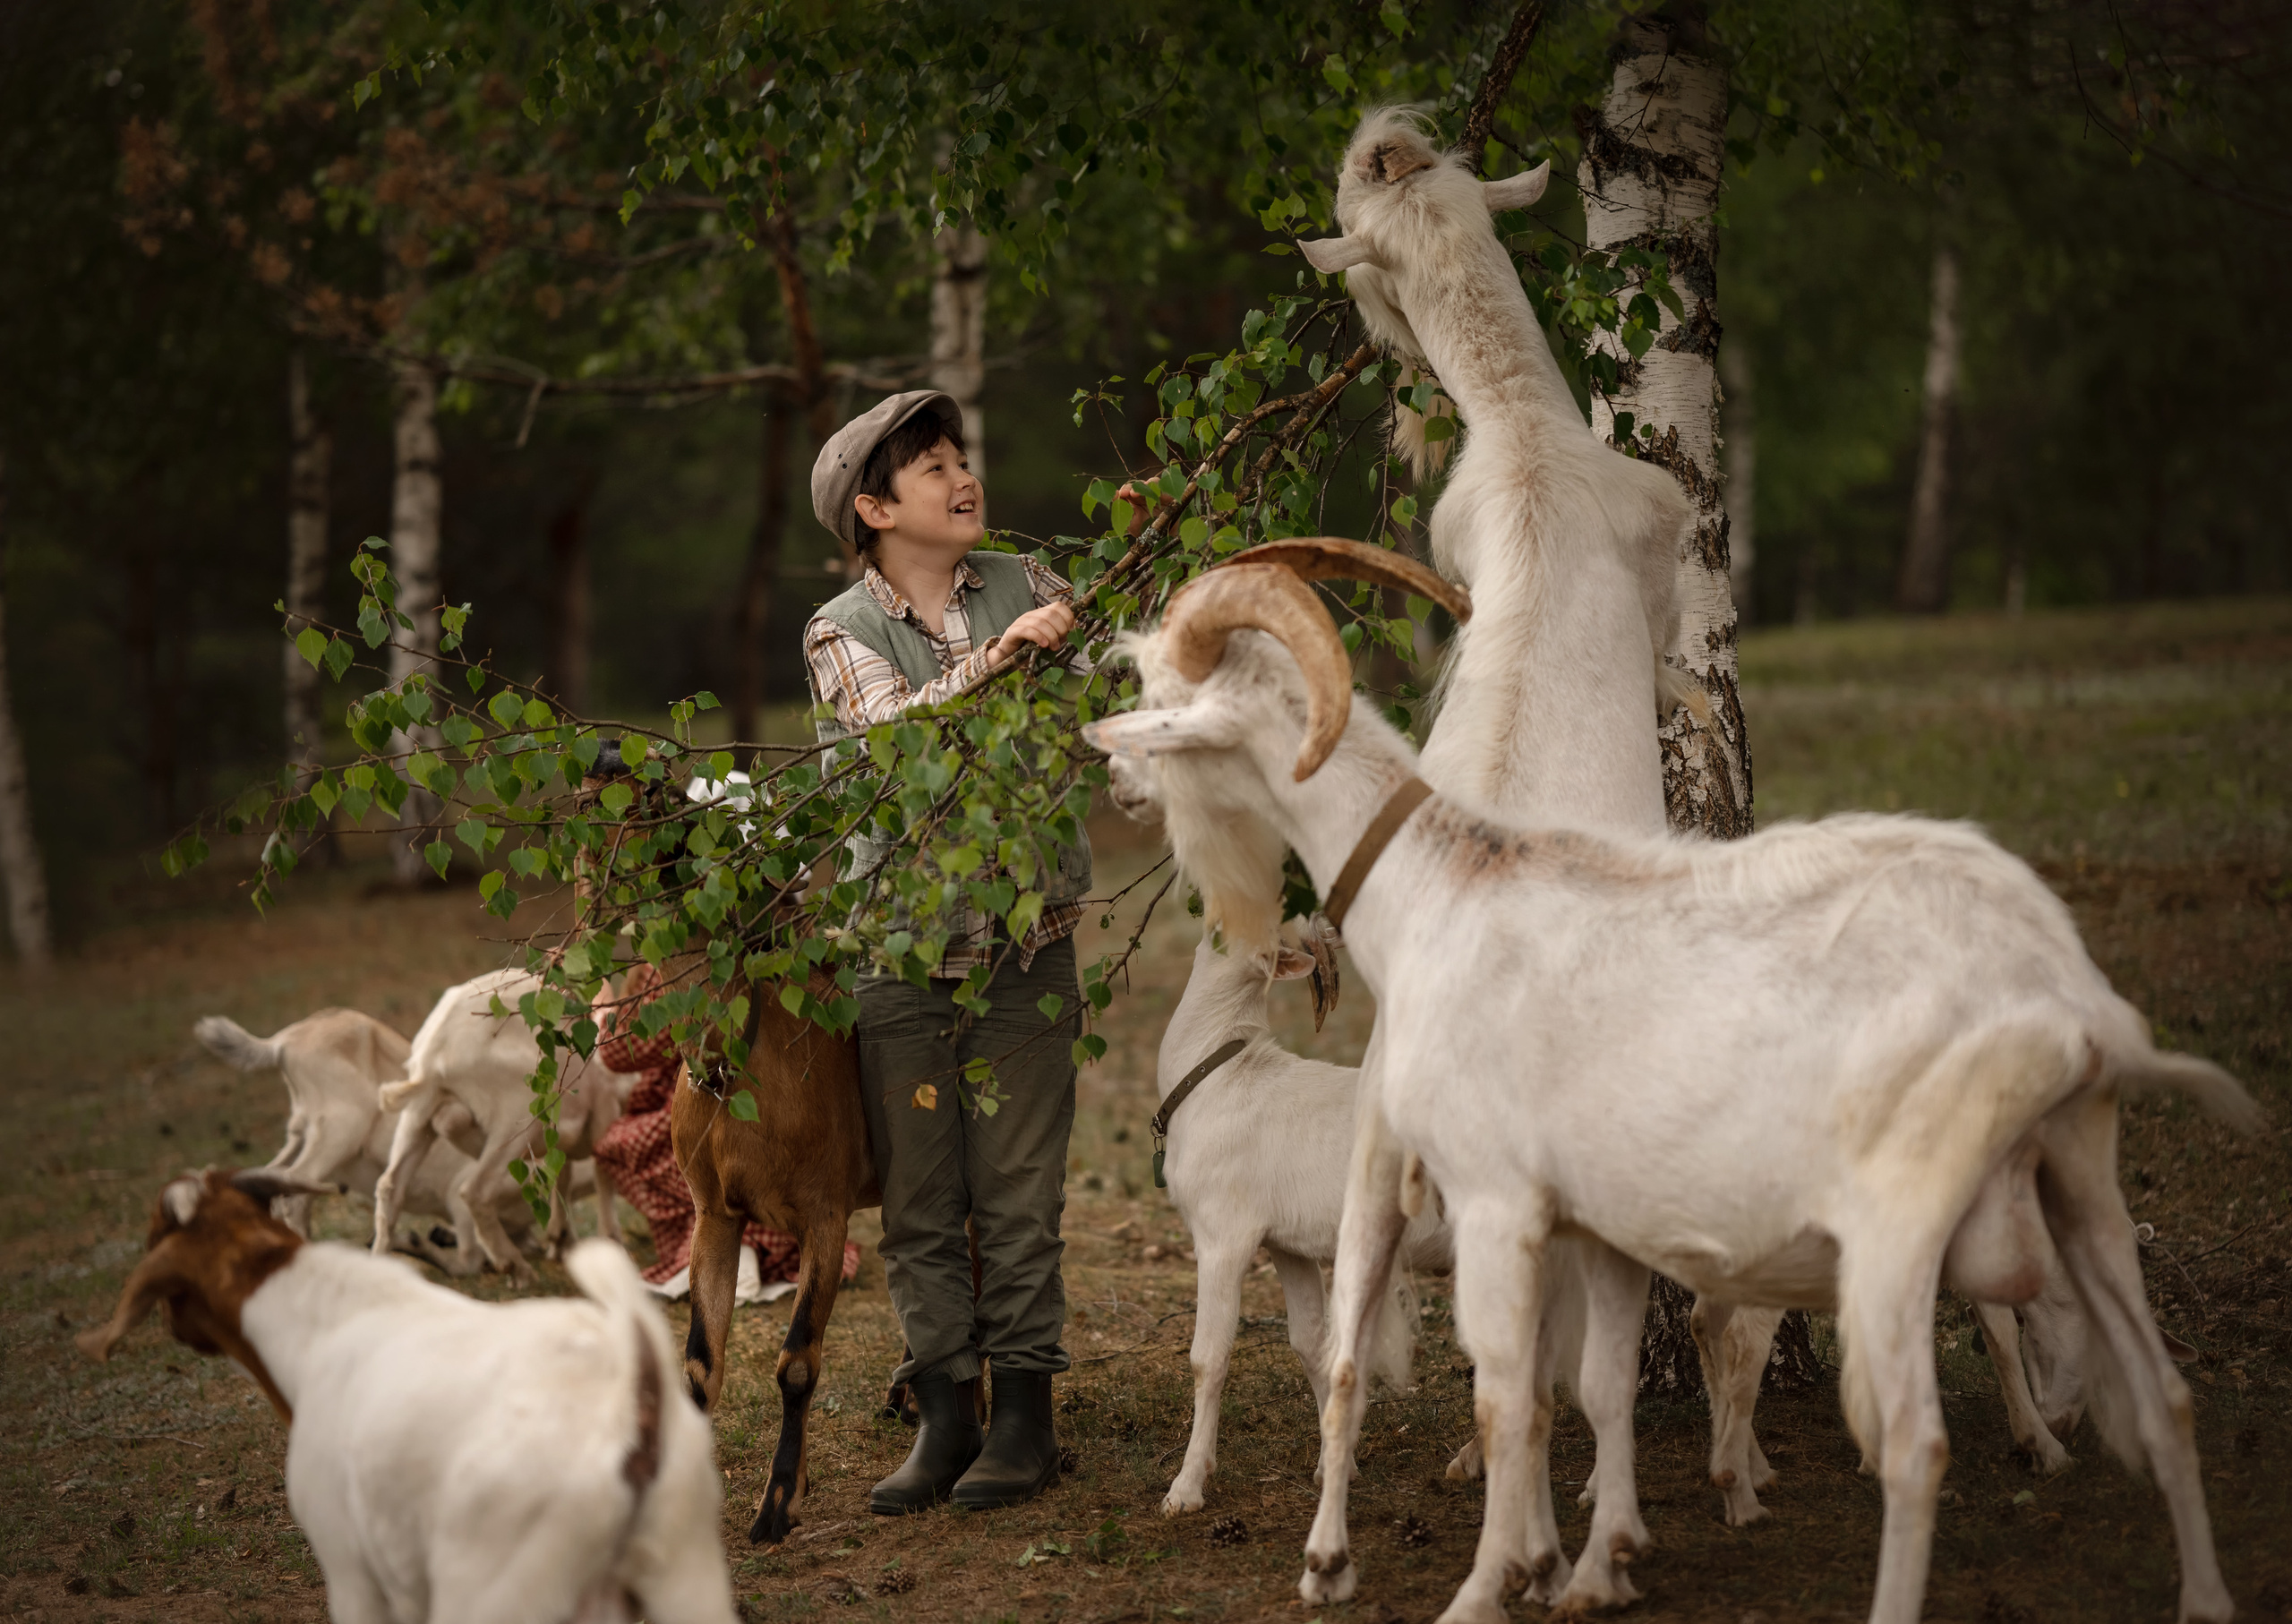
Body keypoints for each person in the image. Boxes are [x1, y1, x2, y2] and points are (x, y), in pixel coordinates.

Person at [804, 390, 1117, 1515]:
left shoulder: (1028, 584)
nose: (962, 477)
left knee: (1020, 1192)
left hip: (1025, 949)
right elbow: (895, 742)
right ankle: (946, 1412)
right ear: (877, 508)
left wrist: (1077, 654)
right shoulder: (838, 628)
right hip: (901, 957)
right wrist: (1004, 658)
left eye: (962, 457)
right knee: (925, 1202)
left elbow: (1094, 704)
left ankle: (1025, 1417)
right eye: (933, 468)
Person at [589, 959, 860, 1300]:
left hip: (711, 1100)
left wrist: (601, 1011)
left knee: (624, 1144)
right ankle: (752, 1249)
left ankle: (733, 1249)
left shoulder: (675, 963)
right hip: (774, 1102)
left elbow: (624, 1052)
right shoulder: (766, 953)